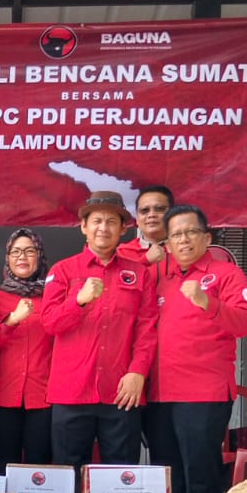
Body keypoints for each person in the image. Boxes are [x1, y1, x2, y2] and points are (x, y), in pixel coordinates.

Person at [145, 204, 247, 493]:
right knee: (168, 477)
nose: (184, 239)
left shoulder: (226, 274)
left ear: (207, 238)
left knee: (201, 474)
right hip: (160, 395)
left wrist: (208, 302)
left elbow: (244, 323)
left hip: (204, 393)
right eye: (176, 234)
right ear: (168, 243)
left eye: (191, 232)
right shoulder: (158, 277)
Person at [42, 191, 159, 467]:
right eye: (96, 221)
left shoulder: (138, 273)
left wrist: (137, 372)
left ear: (122, 229)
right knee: (68, 474)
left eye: (111, 221)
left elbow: (147, 329)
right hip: (71, 391)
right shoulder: (62, 271)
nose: (103, 228)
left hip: (121, 391)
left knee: (119, 479)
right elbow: (49, 323)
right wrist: (78, 300)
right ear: (84, 227)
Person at [0, 227, 54, 471]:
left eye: (29, 251)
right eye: (15, 252)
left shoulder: (54, 296)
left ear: (40, 255)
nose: (22, 257)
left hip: (43, 396)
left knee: (40, 468)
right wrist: (11, 321)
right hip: (2, 394)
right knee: (5, 465)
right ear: (7, 258)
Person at [122, 184, 173, 267]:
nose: (151, 215)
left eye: (159, 209)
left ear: (172, 214)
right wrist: (145, 261)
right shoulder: (122, 253)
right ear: (137, 219)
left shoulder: (185, 248)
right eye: (145, 210)